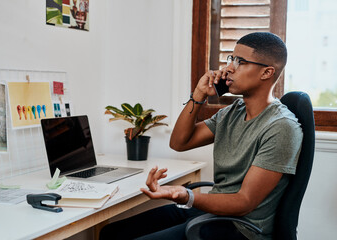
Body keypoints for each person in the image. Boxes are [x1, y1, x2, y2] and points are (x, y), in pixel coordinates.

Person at [99, 32, 303, 240]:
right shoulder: (233, 112)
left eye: (240, 62)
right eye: (231, 59)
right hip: (214, 211)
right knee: (111, 233)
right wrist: (198, 95)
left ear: (266, 73)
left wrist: (185, 195)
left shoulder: (281, 127)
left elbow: (244, 202)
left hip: (241, 229)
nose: (228, 68)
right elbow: (179, 142)